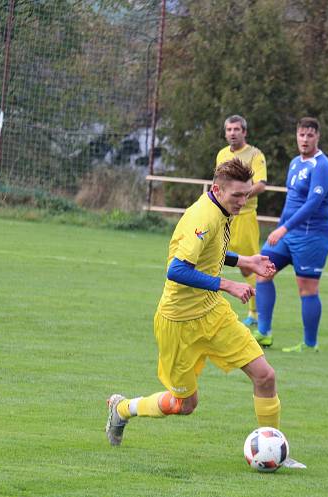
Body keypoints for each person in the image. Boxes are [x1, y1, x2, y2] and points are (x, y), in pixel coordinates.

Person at [105, 158, 304, 468]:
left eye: (247, 194)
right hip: (179, 322)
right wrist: (229, 285)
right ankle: (122, 409)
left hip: (213, 314)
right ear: (217, 189)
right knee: (184, 405)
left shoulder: (223, 210)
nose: (243, 201)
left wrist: (244, 261)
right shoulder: (203, 216)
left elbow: (212, 253)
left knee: (265, 376)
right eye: (237, 195)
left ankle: (276, 449)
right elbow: (176, 270)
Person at [253, 117, 328, 353]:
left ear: (317, 137)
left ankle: (310, 345)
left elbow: (313, 203)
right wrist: (281, 228)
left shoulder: (322, 166)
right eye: (301, 134)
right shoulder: (295, 163)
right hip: (287, 233)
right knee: (263, 271)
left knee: (307, 289)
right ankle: (264, 333)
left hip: (311, 236)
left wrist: (283, 228)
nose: (305, 139)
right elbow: (292, 201)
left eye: (310, 135)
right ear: (296, 136)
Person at [215, 115, 268, 327]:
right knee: (213, 259)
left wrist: (240, 197)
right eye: (229, 129)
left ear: (244, 132)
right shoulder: (221, 154)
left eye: (236, 129)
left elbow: (261, 184)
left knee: (249, 267)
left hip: (244, 219)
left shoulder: (255, 154)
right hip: (222, 218)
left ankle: (255, 313)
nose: (232, 133)